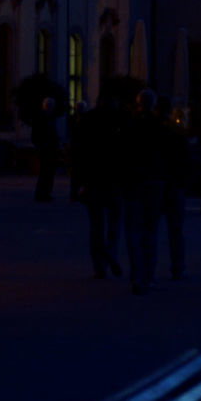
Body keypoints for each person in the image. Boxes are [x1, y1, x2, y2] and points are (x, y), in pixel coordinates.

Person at [121, 88, 168, 295]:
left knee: (133, 231)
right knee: (150, 231)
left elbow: (122, 152)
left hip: (133, 181)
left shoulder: (131, 125)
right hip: (154, 181)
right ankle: (148, 275)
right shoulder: (159, 126)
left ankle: (137, 275)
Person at [73, 93, 123, 278]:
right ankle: (111, 251)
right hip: (113, 179)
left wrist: (78, 183)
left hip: (93, 180)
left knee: (96, 225)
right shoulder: (119, 120)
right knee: (115, 221)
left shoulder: (87, 120)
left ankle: (99, 266)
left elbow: (78, 154)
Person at [156, 95, 191, 279]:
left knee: (149, 229)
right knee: (176, 229)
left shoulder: (150, 130)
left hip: (154, 183)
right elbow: (186, 159)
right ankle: (178, 266)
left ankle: (148, 270)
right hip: (174, 184)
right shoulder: (177, 132)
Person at [32, 96, 60, 202]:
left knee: (48, 173)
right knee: (45, 173)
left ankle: (45, 193)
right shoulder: (41, 118)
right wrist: (41, 146)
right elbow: (36, 135)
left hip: (50, 150)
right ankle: (41, 194)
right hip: (45, 150)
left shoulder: (49, 118)